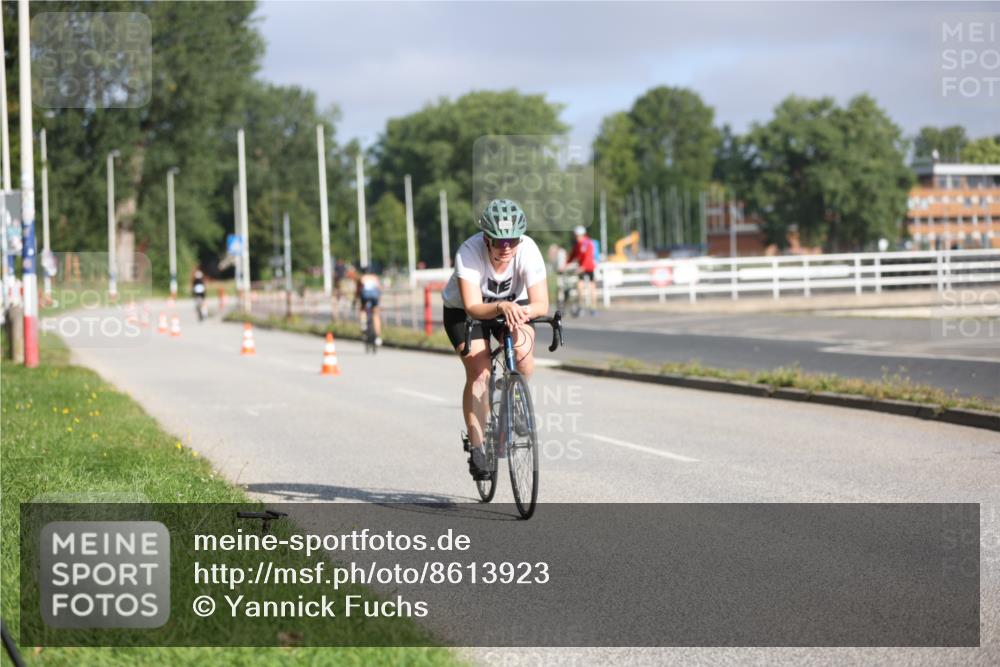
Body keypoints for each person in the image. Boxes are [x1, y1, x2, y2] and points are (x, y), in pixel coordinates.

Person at [441, 199, 548, 480]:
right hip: (466, 312)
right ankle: (477, 446)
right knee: (480, 373)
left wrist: (522, 311)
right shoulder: (469, 251)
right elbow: (474, 307)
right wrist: (502, 307)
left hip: (512, 306)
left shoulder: (529, 250)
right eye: (499, 241)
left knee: (523, 356)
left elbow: (541, 304)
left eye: (512, 240)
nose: (506, 247)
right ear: (486, 238)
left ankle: (513, 394)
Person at [567, 225, 597, 315]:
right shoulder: (577, 244)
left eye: (578, 236)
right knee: (580, 286)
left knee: (592, 287)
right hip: (581, 268)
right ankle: (580, 306)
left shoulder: (588, 243)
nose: (577, 238)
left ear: (583, 235)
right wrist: (566, 264)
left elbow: (589, 257)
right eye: (576, 236)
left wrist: (583, 267)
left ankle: (593, 308)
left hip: (589, 267)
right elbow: (573, 255)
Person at [354, 265, 382, 346]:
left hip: (365, 296)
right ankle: (378, 337)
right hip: (374, 297)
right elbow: (379, 289)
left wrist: (355, 300)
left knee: (362, 309)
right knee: (376, 315)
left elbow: (358, 291)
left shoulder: (362, 277)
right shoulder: (375, 277)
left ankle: (363, 324)